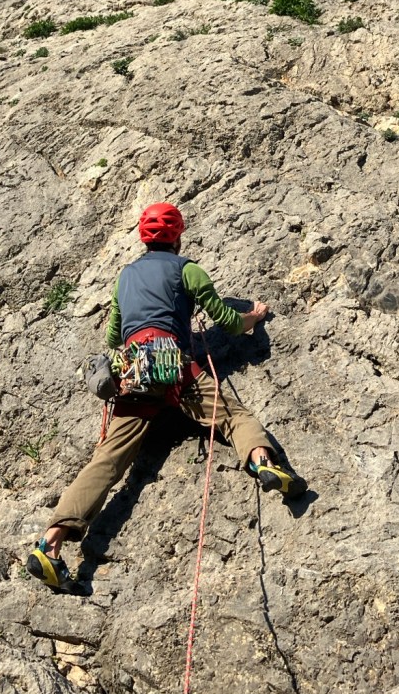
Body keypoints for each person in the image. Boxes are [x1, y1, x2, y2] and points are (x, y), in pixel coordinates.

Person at [27, 202, 306, 591]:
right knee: (233, 417)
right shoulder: (187, 270)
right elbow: (227, 322)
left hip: (133, 372)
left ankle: (50, 543)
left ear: (143, 238)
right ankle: (263, 463)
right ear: (178, 236)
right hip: (174, 368)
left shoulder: (125, 277)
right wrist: (254, 317)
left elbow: (113, 337)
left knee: (107, 460)